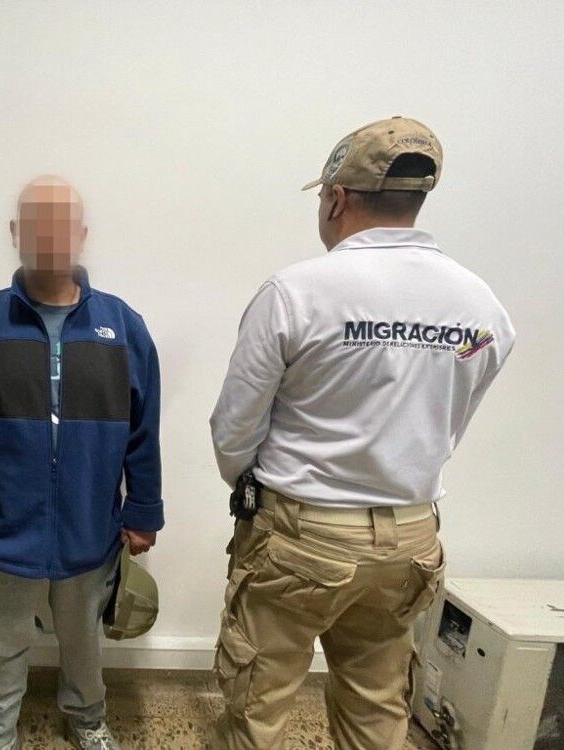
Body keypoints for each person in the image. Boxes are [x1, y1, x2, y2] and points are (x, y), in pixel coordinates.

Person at [207, 117, 515, 750]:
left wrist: (254, 488)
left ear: (336, 198)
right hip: (409, 539)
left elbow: (234, 429)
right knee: (378, 706)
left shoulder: (295, 293)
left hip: (301, 534)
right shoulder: (481, 306)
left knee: (257, 703)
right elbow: (452, 417)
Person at [0, 176, 164, 750]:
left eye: (63, 225)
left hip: (90, 528)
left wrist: (143, 510)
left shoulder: (123, 327)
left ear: (81, 234)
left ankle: (86, 719)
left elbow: (143, 427)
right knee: (1, 643)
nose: (51, 236)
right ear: (16, 233)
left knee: (83, 641)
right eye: (37, 224)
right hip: (1, 526)